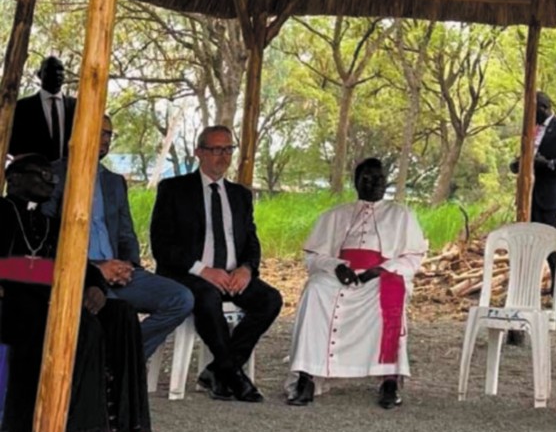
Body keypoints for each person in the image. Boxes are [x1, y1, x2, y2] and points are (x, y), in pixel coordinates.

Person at [1, 155, 152, 432]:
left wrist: (94, 285)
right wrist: (58, 279)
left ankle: (115, 431)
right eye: (41, 175)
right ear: (14, 179)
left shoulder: (50, 223)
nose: (51, 181)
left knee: (121, 313)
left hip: (56, 300)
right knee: (80, 323)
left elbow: (77, 263)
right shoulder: (1, 212)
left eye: (51, 176)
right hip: (15, 306)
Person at [149, 125, 282, 403]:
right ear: (199, 152)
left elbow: (252, 242)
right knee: (207, 296)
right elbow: (162, 246)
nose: (222, 156)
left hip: (233, 275)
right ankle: (232, 374)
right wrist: (203, 270)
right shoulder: (174, 189)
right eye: (215, 149)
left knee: (270, 299)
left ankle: (219, 369)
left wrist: (247, 268)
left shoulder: (240, 195)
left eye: (228, 149)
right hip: (188, 275)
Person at [46, 115, 194, 359]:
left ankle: (123, 360)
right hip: (78, 274)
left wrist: (127, 266)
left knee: (181, 298)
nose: (104, 139)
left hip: (118, 273)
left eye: (108, 134)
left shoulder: (113, 182)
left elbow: (126, 234)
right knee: (115, 311)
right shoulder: (54, 176)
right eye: (99, 131)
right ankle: (116, 366)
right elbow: (46, 237)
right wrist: (96, 269)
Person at [286, 158, 427, 409]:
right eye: (368, 178)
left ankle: (389, 380)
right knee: (316, 289)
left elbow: (413, 257)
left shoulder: (402, 215)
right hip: (341, 274)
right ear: (356, 181)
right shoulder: (335, 215)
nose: (374, 183)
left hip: (381, 276)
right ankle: (306, 376)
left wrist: (382, 270)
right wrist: (336, 266)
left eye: (380, 179)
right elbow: (313, 256)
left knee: (390, 291)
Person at [508, 90, 556, 341]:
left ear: (544, 107)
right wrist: (519, 164)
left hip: (550, 197)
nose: (529, 115)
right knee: (526, 249)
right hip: (529, 196)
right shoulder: (531, 130)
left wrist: (550, 164)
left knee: (552, 252)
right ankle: (526, 300)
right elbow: (529, 157)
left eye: (533, 110)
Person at [9, 56, 77, 160]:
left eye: (61, 70)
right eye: (51, 69)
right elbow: (12, 143)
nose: (57, 73)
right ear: (39, 74)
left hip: (68, 172)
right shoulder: (22, 108)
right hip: (33, 172)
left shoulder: (76, 107)